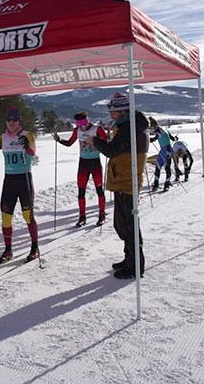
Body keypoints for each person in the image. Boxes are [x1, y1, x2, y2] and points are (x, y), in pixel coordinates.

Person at [91, 93, 148, 279]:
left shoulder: (130, 128)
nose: (111, 115)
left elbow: (111, 150)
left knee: (128, 226)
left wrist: (95, 141)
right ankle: (129, 258)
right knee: (122, 224)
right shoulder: (129, 125)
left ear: (124, 111)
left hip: (127, 181)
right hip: (123, 180)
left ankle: (135, 265)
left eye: (114, 112)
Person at [0, 107, 39, 264]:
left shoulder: (27, 135)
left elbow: (32, 152)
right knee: (6, 218)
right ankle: (8, 250)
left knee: (27, 216)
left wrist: (27, 147)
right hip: (9, 181)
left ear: (19, 121)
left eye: (15, 120)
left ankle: (34, 247)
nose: (11, 123)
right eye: (9, 119)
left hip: (24, 180)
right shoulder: (2, 138)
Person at [52, 112, 109, 227]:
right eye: (79, 124)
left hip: (95, 163)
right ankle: (82, 217)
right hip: (83, 163)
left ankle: (101, 215)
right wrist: (59, 140)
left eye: (82, 123)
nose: (81, 127)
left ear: (86, 120)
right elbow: (69, 143)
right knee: (81, 192)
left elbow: (105, 143)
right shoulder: (76, 130)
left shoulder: (97, 129)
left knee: (99, 190)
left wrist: (97, 141)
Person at [148, 117, 177, 192]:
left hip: (165, 151)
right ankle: (166, 184)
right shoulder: (165, 129)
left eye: (151, 128)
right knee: (167, 168)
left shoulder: (157, 130)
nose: (152, 130)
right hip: (168, 150)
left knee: (159, 168)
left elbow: (155, 138)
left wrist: (149, 140)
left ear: (153, 126)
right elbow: (173, 138)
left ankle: (156, 185)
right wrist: (176, 138)